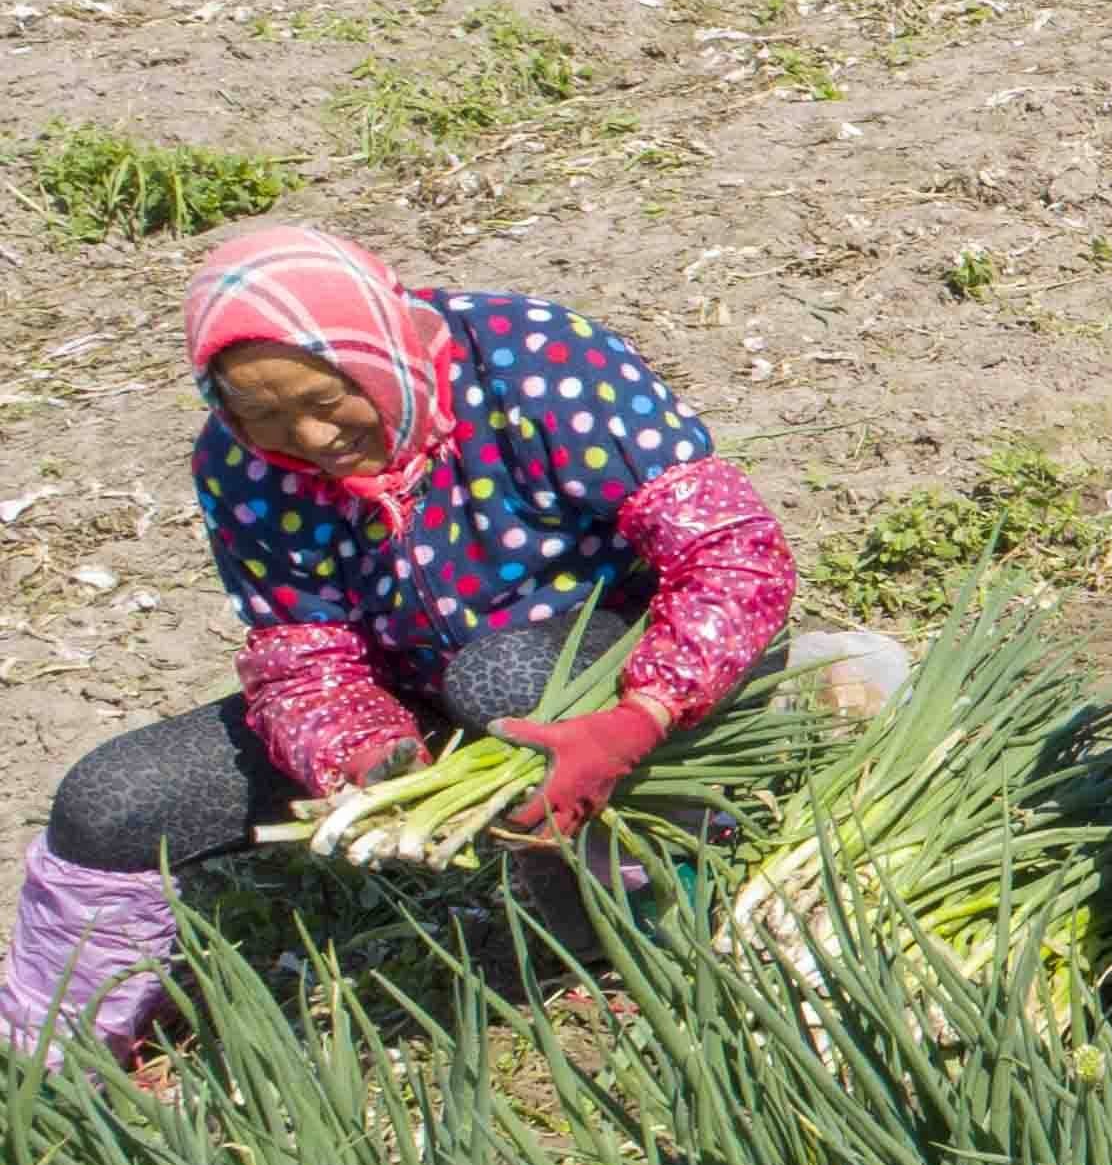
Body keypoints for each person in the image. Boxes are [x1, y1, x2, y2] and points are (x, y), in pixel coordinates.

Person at [3, 225, 801, 1071]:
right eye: (264, 416)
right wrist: (369, 756)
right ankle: (54, 1056)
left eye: (324, 399)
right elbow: (303, 653)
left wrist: (643, 713)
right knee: (109, 800)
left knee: (504, 676)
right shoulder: (240, 465)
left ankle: (637, 919)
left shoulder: (535, 363)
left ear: (375, 349)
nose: (308, 440)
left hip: (643, 658)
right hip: (420, 686)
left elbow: (731, 552)